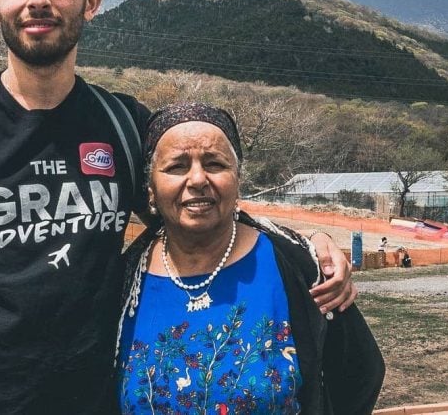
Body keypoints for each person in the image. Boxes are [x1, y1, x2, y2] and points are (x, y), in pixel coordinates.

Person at [0, 0, 356, 415]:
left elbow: (197, 209)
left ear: (90, 0)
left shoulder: (123, 123)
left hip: (95, 400)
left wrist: (310, 241)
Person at [118, 103, 384, 414]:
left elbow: (361, 373)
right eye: (177, 166)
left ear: (238, 177)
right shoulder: (122, 280)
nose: (197, 179)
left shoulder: (298, 263)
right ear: (150, 188)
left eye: (215, 164)